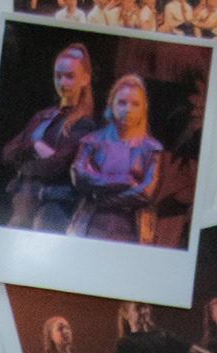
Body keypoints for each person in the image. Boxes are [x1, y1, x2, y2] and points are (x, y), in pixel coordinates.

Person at [1, 41, 98, 235]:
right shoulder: (43, 116)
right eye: (58, 76)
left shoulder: (84, 124)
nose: (63, 83)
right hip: (23, 204)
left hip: (53, 209)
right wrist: (34, 147)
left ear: (85, 79)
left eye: (70, 76)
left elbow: (56, 166)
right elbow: (7, 153)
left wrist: (22, 164)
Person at [68, 75, 161, 244]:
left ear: (143, 108)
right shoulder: (91, 141)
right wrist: (123, 181)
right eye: (122, 103)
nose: (128, 109)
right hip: (90, 225)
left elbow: (145, 193)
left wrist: (101, 198)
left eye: (135, 104)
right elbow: (79, 176)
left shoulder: (151, 148)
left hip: (132, 230)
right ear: (111, 105)